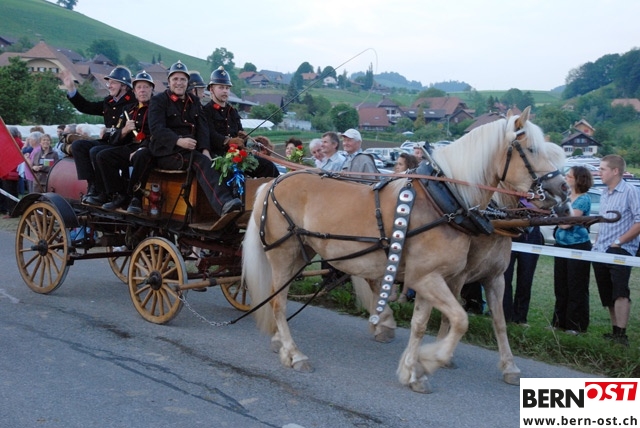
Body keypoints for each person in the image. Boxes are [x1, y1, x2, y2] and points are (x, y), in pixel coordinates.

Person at [148, 61, 242, 217]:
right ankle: (224, 204)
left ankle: (242, 202)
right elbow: (157, 129)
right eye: (175, 79)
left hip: (190, 151)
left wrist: (205, 150)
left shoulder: (194, 101)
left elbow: (202, 129)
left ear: (187, 82)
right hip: (167, 152)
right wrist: (178, 141)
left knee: (215, 160)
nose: (179, 83)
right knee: (200, 162)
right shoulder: (159, 101)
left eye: (183, 79)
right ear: (169, 81)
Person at [60, 67, 137, 205]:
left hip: (124, 144)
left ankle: (107, 193)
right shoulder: (109, 102)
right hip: (110, 142)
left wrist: (109, 131)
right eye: (109, 82)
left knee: (96, 151)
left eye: (113, 83)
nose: (109, 86)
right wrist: (72, 89)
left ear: (124, 86)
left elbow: (129, 130)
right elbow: (86, 107)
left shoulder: (133, 102)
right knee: (78, 146)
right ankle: (93, 186)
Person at [592, 155, 640, 347]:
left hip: (621, 250)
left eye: (602, 169)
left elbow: (639, 222)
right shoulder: (604, 193)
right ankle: (615, 331)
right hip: (601, 249)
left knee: (620, 292)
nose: (599, 172)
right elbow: (603, 222)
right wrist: (597, 245)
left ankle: (622, 334)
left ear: (615, 171)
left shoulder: (631, 191)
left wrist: (618, 242)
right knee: (608, 293)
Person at [201, 66, 279, 179]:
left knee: (268, 166)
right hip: (219, 156)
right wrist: (228, 141)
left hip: (238, 154)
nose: (225, 91)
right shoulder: (206, 111)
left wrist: (243, 138)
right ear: (211, 89)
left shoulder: (232, 112)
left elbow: (240, 133)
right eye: (221, 87)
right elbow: (209, 135)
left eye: (227, 88)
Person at [96, 71, 156, 212]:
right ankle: (120, 195)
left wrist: (142, 147)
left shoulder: (157, 108)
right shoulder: (128, 110)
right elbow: (115, 137)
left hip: (150, 148)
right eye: (139, 87)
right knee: (103, 156)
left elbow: (159, 132)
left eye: (146, 87)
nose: (142, 90)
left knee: (141, 155)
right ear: (134, 91)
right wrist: (124, 131)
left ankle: (136, 198)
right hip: (131, 146)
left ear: (152, 90)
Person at [551, 165, 594, 334]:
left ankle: (575, 325)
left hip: (578, 246)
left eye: (569, 176)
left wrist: (557, 217)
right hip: (561, 245)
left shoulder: (584, 199)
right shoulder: (565, 197)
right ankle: (558, 322)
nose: (566, 178)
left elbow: (566, 223)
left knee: (576, 286)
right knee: (560, 286)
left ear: (579, 180)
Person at [503, 225, 544, 325]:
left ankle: (520, 317)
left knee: (525, 280)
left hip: (531, 235)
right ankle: (504, 314)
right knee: (504, 278)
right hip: (509, 232)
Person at [0, 127, 24, 216]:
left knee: (9, 192)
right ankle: (12, 210)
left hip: (9, 171)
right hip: (12, 171)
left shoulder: (12, 142)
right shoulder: (19, 142)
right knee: (12, 191)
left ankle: (12, 211)